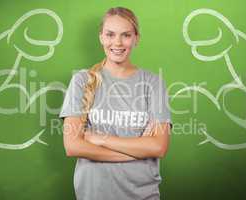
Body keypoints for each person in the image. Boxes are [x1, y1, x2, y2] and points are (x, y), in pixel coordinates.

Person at [59, 7, 171, 200]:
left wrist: (100, 139)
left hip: (142, 194)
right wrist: (136, 151)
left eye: (126, 35)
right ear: (101, 37)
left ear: (136, 38)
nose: (117, 43)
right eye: (110, 34)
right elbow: (73, 146)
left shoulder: (153, 83)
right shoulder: (82, 80)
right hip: (93, 194)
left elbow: (158, 147)